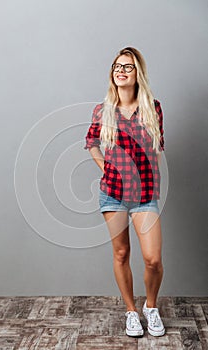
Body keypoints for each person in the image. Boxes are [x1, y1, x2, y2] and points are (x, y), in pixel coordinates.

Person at [84, 47, 166, 337]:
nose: (120, 71)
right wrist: (105, 166)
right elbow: (91, 141)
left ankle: (151, 308)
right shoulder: (103, 110)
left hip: (144, 194)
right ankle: (131, 311)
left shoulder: (152, 108)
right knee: (121, 253)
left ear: (137, 73)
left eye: (127, 67)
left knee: (152, 259)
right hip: (113, 193)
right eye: (117, 66)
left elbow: (157, 148)